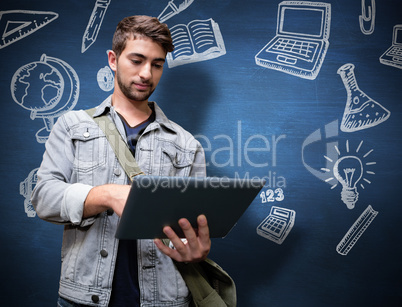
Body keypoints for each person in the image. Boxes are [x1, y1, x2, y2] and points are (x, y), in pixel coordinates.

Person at [31, 15, 211, 307]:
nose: (146, 74)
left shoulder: (187, 143)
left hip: (164, 299)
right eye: (137, 60)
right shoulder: (71, 125)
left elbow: (192, 224)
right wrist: (106, 195)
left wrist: (196, 248)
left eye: (156, 64)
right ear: (113, 59)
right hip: (83, 298)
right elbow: (43, 198)